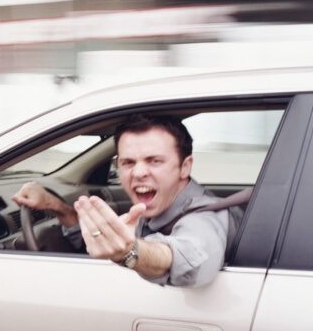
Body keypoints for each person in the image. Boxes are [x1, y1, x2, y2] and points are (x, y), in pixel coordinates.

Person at [12, 114, 237, 287]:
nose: (138, 172)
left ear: (185, 167)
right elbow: (106, 240)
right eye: (128, 162)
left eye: (154, 161)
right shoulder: (155, 206)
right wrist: (56, 207)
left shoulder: (205, 216)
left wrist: (129, 252)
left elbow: (191, 258)